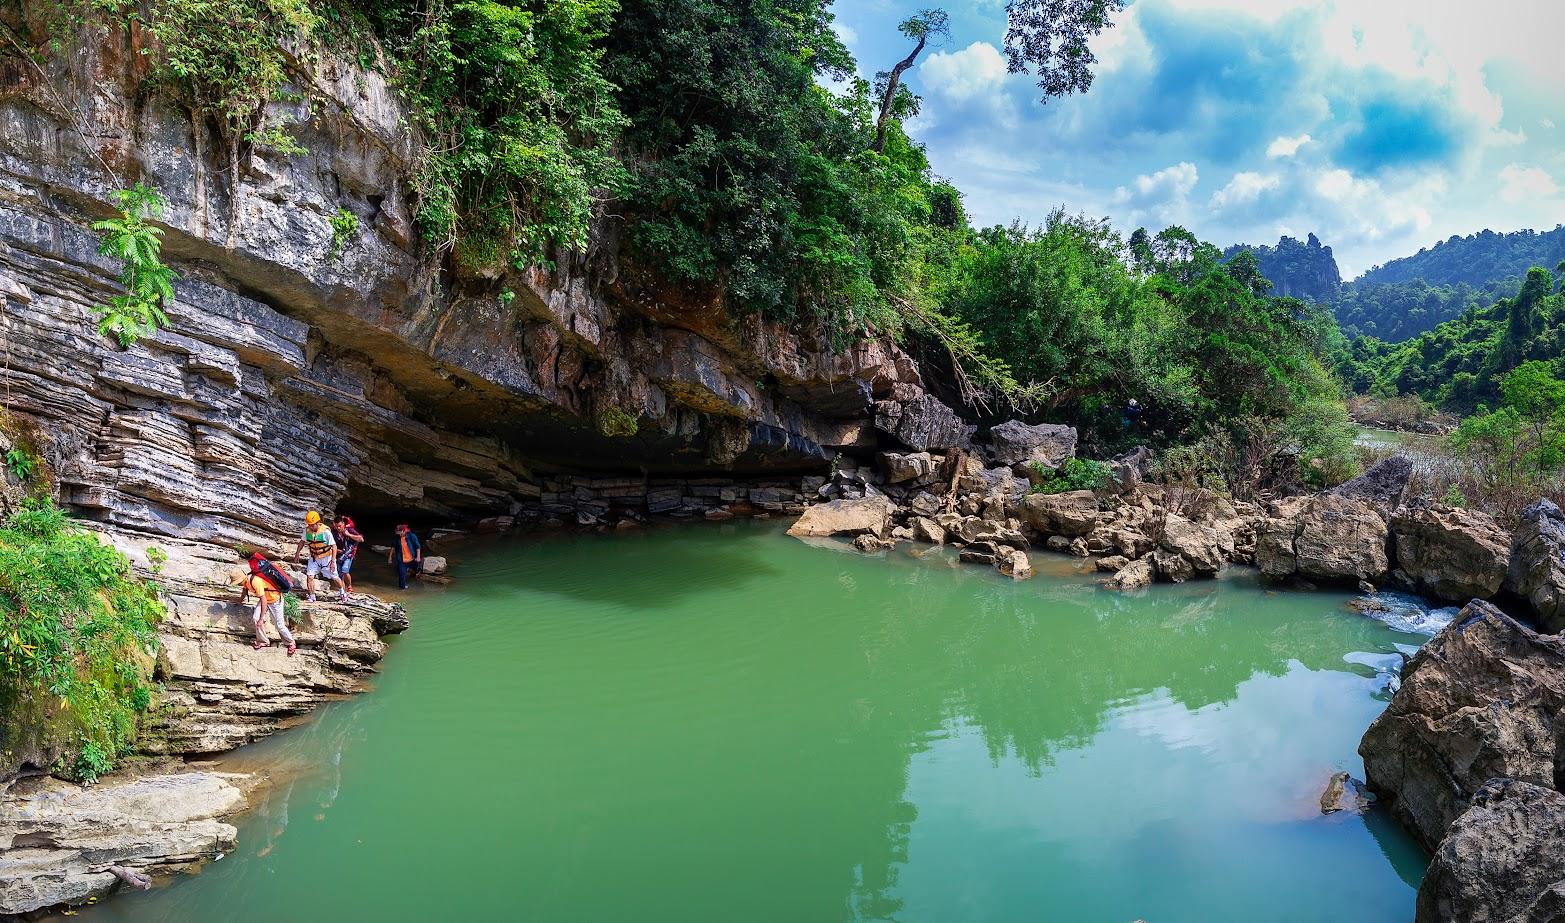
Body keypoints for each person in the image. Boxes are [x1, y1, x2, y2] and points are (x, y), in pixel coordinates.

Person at [233, 566, 295, 655]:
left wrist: (262, 619)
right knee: (256, 618)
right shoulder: (246, 582)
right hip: (266, 599)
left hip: (275, 600)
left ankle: (291, 642)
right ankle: (263, 641)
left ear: (242, 579)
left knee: (279, 625)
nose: (238, 584)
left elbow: (263, 600)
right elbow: (244, 591)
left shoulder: (255, 581)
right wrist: (239, 601)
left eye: (238, 582)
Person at [293, 510, 347, 602]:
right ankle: (312, 597)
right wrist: (297, 553)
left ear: (318, 522)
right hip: (314, 559)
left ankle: (343, 593)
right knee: (310, 577)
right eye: (309, 524)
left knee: (335, 578)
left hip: (327, 559)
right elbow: (302, 542)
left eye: (312, 524)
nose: (310, 526)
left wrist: (333, 562)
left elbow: (334, 547)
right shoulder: (307, 531)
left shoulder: (325, 532)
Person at [333, 514, 365, 594]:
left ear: (343, 523)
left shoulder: (349, 530)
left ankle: (349, 586)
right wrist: (337, 551)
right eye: (336, 526)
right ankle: (343, 593)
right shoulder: (333, 532)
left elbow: (361, 539)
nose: (338, 528)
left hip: (349, 554)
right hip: (339, 555)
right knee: (340, 575)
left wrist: (348, 534)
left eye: (340, 526)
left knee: (344, 570)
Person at [388, 523, 422, 590]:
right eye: (397, 533)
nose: (399, 535)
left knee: (416, 569)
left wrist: (418, 557)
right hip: (401, 560)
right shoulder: (397, 537)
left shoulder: (411, 536)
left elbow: (418, 546)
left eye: (400, 533)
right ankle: (402, 589)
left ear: (404, 531)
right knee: (401, 575)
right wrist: (390, 557)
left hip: (412, 559)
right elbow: (393, 546)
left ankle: (417, 571)